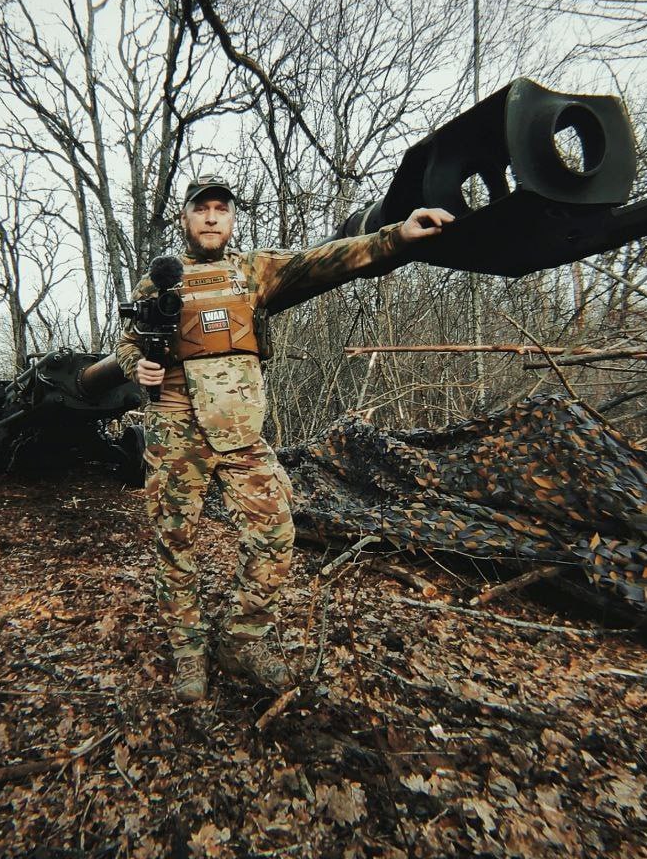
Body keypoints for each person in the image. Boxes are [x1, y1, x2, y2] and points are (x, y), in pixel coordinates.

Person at [116, 176, 453, 702]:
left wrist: (397, 237)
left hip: (241, 433)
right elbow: (125, 344)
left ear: (231, 220)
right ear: (185, 218)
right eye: (200, 209)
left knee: (275, 533)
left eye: (220, 210)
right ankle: (188, 650)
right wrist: (135, 367)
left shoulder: (254, 271)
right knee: (174, 543)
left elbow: (328, 259)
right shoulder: (158, 281)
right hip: (176, 430)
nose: (210, 218)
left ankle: (243, 638)